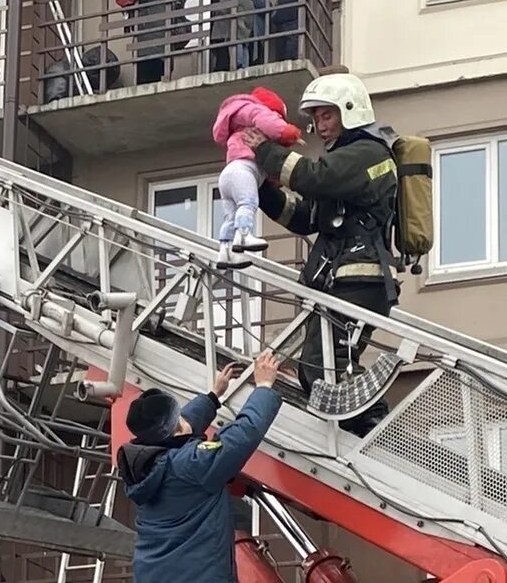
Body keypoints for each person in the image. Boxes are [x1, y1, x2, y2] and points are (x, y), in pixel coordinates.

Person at [242, 71, 397, 437]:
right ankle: (364, 430)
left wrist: (264, 150)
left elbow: (316, 177)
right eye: (315, 118)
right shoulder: (344, 163)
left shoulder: (367, 153)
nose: (319, 126)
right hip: (339, 281)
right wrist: (264, 190)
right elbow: (305, 216)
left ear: (350, 111)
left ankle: (376, 428)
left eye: (326, 115)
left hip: (358, 279)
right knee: (318, 372)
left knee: (328, 368)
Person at [118, 350, 283, 583]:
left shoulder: (146, 464)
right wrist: (264, 386)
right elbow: (243, 434)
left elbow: (182, 426)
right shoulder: (193, 465)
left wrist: (213, 396)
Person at [211, 87, 302, 269]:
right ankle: (244, 234)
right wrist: (289, 133)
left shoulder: (240, 125)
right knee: (248, 203)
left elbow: (266, 175)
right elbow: (271, 124)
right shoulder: (258, 111)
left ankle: (225, 251)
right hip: (244, 171)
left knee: (230, 216)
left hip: (228, 173)